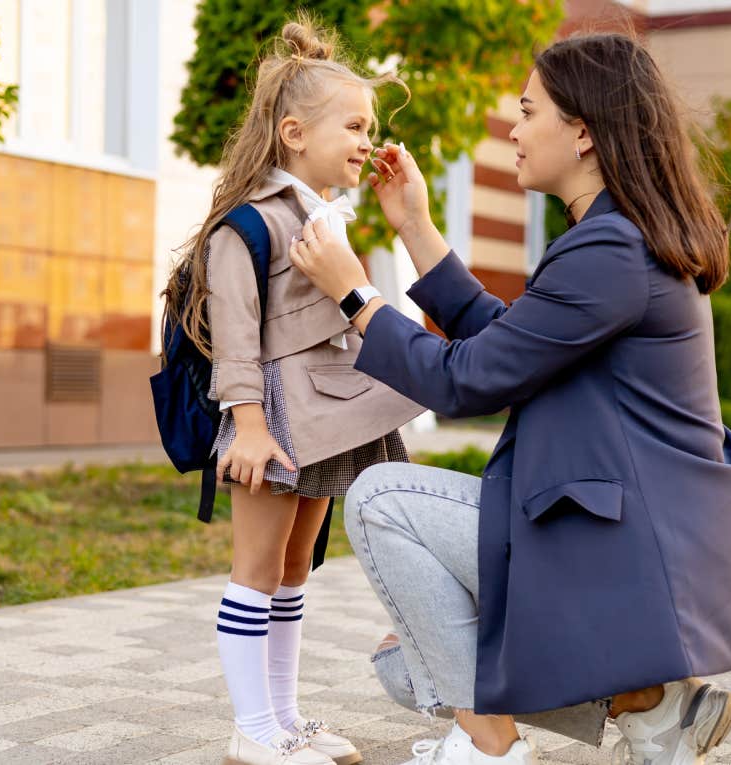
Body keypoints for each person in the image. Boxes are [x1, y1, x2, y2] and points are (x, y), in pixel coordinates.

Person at [287, 32, 731, 765]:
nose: (513, 127)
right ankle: (648, 705)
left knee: (380, 502)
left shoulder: (611, 252)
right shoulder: (616, 240)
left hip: (623, 552)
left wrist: (354, 292)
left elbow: (465, 380)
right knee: (409, 659)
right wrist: (415, 225)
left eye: (529, 110)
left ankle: (491, 745)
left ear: (583, 134)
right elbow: (509, 349)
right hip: (633, 545)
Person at [161, 16, 425, 765]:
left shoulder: (321, 219)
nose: (366, 139)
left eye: (369, 125)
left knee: (293, 567)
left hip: (323, 417)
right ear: (292, 134)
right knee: (256, 568)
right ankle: (252, 730)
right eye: (353, 124)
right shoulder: (244, 228)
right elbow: (239, 340)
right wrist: (247, 424)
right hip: (271, 418)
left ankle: (285, 717)